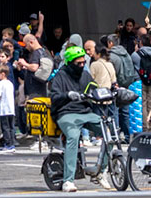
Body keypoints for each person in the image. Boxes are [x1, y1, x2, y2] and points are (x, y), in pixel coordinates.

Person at [50, 45, 104, 192]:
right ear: (69, 63)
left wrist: (105, 93)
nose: (81, 65)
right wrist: (67, 95)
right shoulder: (60, 76)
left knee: (109, 131)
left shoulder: (85, 75)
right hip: (66, 113)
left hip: (85, 111)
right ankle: (68, 180)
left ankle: (100, 171)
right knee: (73, 136)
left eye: (83, 63)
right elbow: (54, 97)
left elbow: (94, 88)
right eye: (78, 63)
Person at [0, 64, 18, 152]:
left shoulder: (0, 84)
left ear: (3, 74)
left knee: (5, 128)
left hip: (4, 109)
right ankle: (12, 143)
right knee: (11, 127)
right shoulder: (10, 83)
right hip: (11, 109)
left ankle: (8, 145)